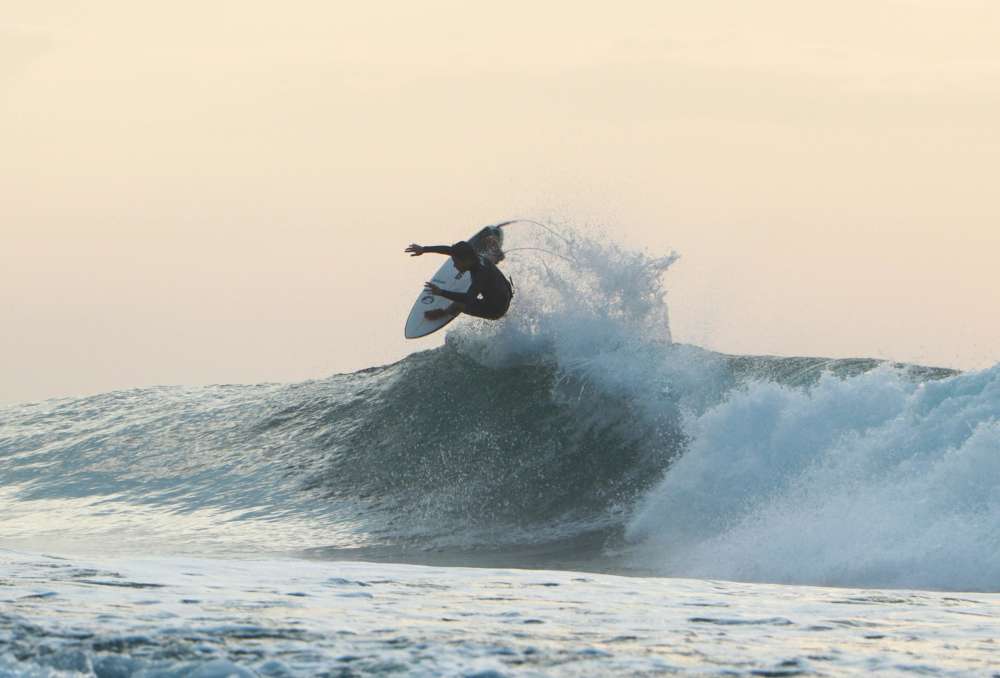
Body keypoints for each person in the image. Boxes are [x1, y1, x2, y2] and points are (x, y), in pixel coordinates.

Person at [405, 240, 513, 321]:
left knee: (458, 305)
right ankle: (497, 256)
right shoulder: (478, 258)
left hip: (497, 309)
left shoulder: (480, 275)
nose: (454, 265)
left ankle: (443, 313)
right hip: (506, 292)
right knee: (490, 265)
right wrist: (423, 249)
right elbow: (449, 250)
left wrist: (441, 292)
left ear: (466, 261)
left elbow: (467, 298)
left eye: (456, 262)